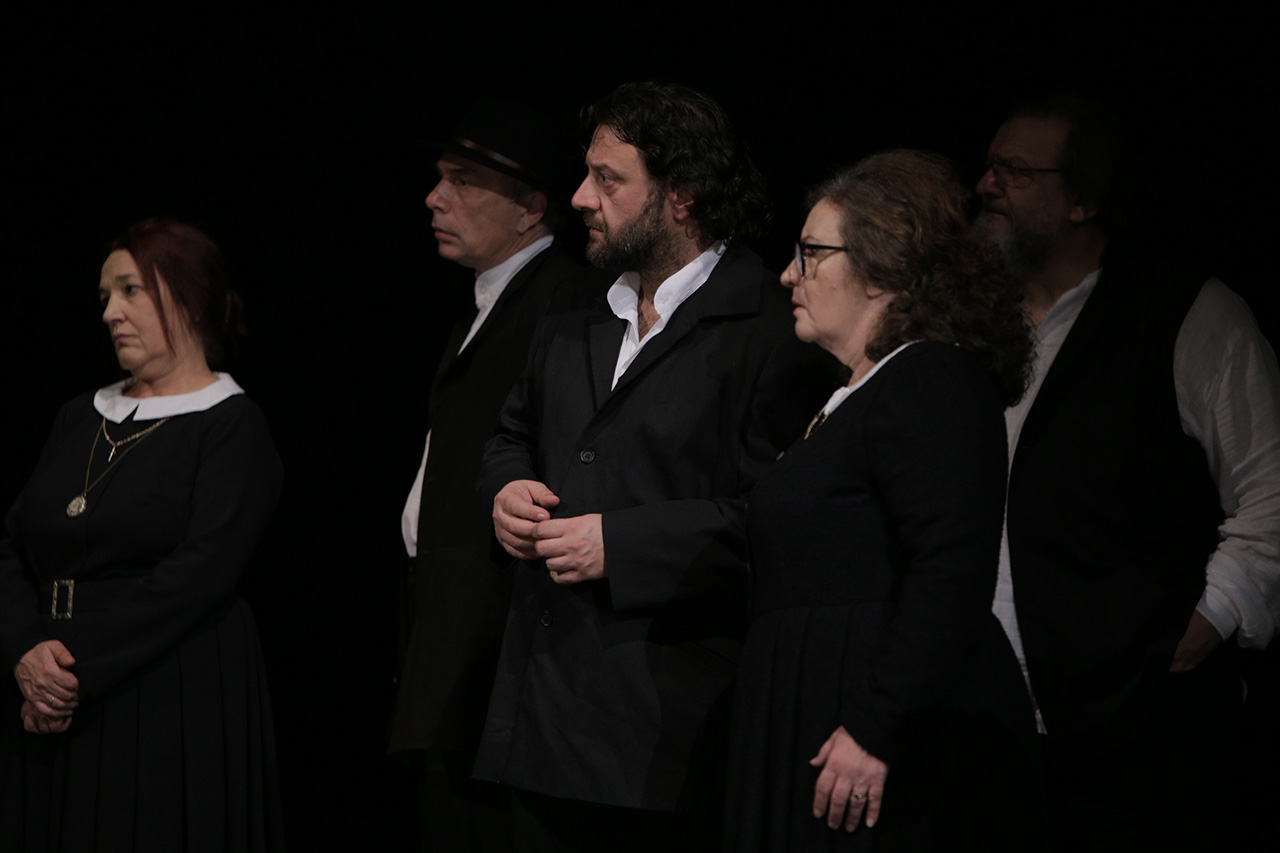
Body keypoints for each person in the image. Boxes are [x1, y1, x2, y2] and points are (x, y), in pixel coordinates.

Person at [476, 82, 835, 851]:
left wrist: (622, 544)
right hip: (540, 710)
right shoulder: (577, 308)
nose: (581, 197)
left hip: (665, 734)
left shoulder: (768, 330)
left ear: (681, 194)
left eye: (609, 179)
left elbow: (778, 521)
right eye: (587, 174)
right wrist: (506, 487)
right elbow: (511, 433)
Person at [972, 94, 1280, 850]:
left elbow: (1269, 498)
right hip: (987, 723)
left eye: (1016, 171)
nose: (986, 185)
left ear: (1083, 200)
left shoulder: (1187, 314)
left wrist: (1199, 629)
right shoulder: (975, 322)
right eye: (990, 165)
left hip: (1133, 740)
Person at [725, 150, 1042, 851]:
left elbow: (950, 570)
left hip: (882, 730)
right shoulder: (851, 395)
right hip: (816, 701)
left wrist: (877, 725)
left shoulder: (931, 377)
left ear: (881, 268)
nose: (789, 274)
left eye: (811, 253)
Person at [0, 220, 284, 851]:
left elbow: (200, 573)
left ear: (191, 298)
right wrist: (25, 650)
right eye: (105, 296)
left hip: (162, 689)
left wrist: (73, 672)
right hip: (45, 686)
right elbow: (13, 544)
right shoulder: (79, 416)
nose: (110, 313)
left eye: (131, 291)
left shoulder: (231, 425)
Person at [387, 98, 584, 852]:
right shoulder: (489, 304)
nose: (435, 199)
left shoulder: (561, 304)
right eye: (441, 177)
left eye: (463, 181)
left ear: (531, 207)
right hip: (452, 641)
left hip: (496, 654)